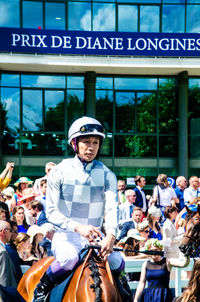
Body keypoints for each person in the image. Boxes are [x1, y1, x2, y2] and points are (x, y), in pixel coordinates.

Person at [33, 116, 132, 302]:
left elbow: (111, 209)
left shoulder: (107, 175)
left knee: (118, 262)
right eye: (86, 142)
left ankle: (126, 294)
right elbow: (52, 211)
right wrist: (78, 227)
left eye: (95, 142)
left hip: (95, 238)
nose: (91, 147)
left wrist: (110, 236)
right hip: (66, 236)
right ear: (74, 143)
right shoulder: (58, 171)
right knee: (69, 259)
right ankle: (41, 291)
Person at [0, 220, 18, 287]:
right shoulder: (2, 252)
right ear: (3, 231)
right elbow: (3, 280)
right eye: (10, 230)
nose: (11, 233)